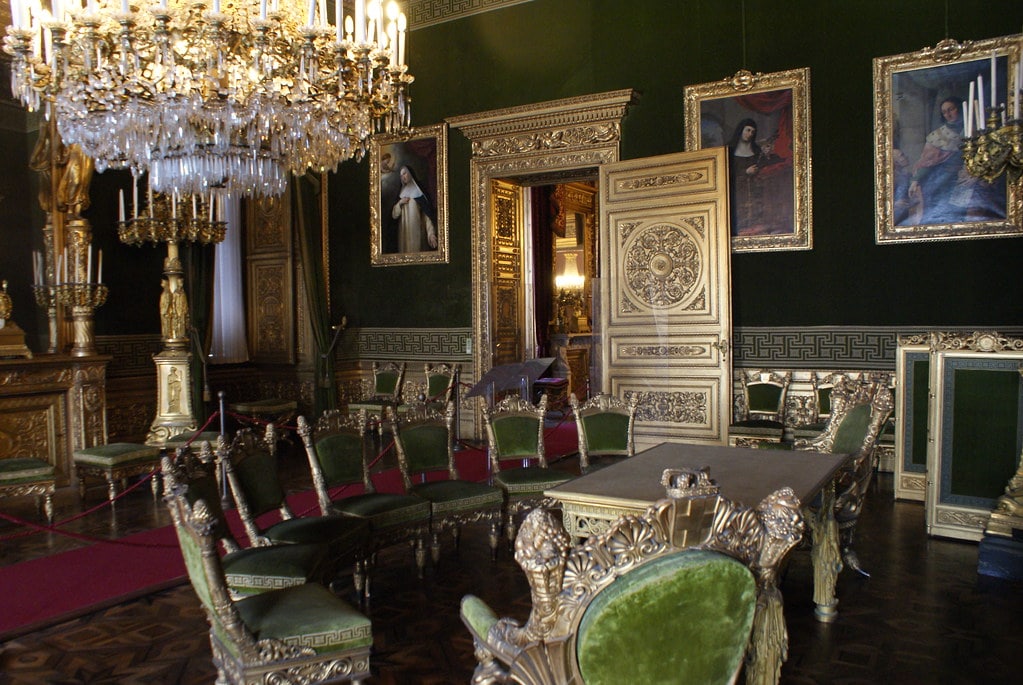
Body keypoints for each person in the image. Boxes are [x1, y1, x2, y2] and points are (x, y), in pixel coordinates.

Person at [907, 96, 983, 225]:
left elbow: (983, 157)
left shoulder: (974, 131)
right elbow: (927, 162)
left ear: (958, 108)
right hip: (943, 179)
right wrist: (915, 180)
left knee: (965, 213)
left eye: (951, 109)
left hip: (966, 177)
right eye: (944, 112)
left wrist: (975, 174)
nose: (948, 114)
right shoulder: (938, 136)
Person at [390, 165, 437, 253]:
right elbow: (394, 215)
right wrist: (400, 203)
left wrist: (431, 234)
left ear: (410, 174)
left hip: (417, 233)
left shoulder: (419, 192)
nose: (403, 177)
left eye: (404, 174)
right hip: (404, 234)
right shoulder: (401, 193)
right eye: (401, 176)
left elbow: (427, 216)